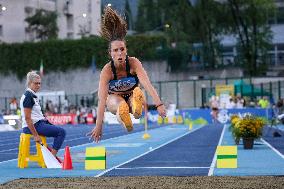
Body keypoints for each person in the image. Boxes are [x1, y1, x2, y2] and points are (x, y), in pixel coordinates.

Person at [88, 6, 167, 143]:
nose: (119, 53)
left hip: (131, 95)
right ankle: (125, 118)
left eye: (122, 49)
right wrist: (98, 126)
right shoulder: (107, 71)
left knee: (136, 93)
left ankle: (136, 109)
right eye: (115, 50)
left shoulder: (134, 63)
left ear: (126, 50)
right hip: (115, 100)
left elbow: (147, 84)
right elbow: (101, 100)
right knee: (115, 102)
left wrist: (159, 104)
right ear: (110, 53)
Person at [20, 71, 66, 156]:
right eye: (36, 83)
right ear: (30, 83)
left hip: (38, 124)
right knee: (61, 132)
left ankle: (50, 155)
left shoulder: (32, 95)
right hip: (33, 126)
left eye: (39, 83)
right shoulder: (28, 97)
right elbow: (27, 118)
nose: (38, 86)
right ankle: (52, 157)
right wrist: (35, 135)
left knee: (58, 130)